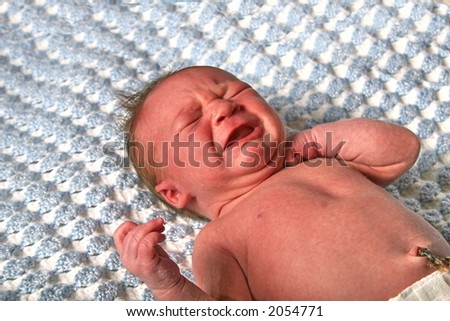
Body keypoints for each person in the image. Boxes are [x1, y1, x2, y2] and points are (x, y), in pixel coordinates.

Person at [114, 66, 450, 300]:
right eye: (191, 120)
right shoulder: (219, 240)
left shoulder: (321, 160)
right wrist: (168, 286)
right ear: (175, 192)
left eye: (234, 91)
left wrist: (312, 139)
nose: (222, 106)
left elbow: (400, 149)